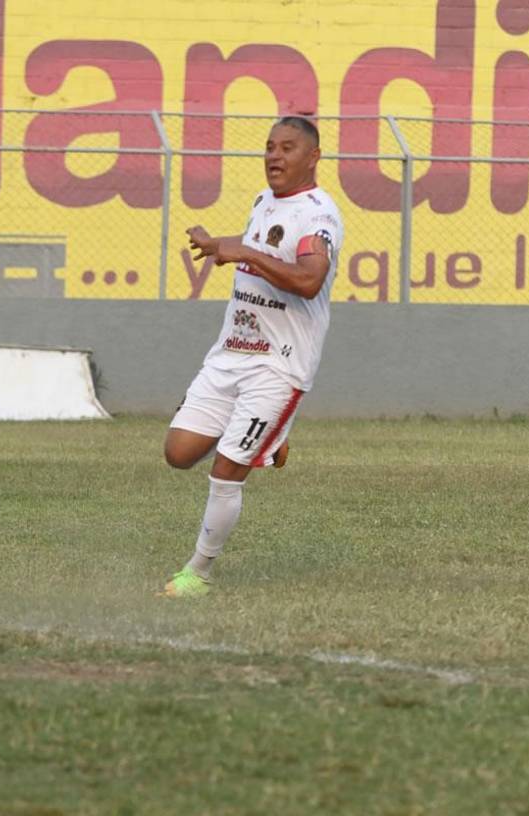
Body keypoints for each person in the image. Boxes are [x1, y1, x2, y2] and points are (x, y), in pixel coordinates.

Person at [162, 115, 343, 598]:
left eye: (287, 147)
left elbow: (307, 280)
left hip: (278, 365)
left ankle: (196, 575)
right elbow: (258, 253)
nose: (274, 156)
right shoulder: (263, 202)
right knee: (178, 453)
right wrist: (220, 246)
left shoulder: (319, 215)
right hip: (230, 354)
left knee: (225, 471)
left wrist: (241, 249)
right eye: (269, 147)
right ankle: (271, 430)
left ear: (313, 156)